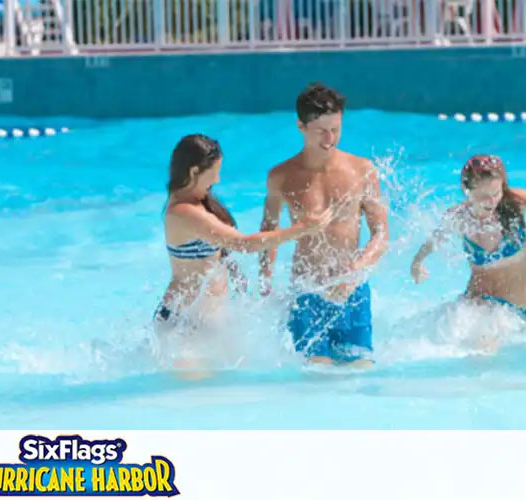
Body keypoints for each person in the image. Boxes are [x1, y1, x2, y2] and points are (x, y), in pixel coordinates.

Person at [259, 83, 389, 367]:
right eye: (322, 131)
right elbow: (269, 232)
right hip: (307, 291)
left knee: (360, 368)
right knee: (316, 372)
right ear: (301, 126)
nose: (330, 138)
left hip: (352, 289)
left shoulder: (362, 170)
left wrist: (356, 272)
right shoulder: (281, 177)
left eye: (336, 129)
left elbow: (381, 233)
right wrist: (264, 280)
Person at [156, 133, 330, 332]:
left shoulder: (196, 202)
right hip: (182, 323)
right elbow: (243, 244)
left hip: (204, 320)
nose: (217, 179)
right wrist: (302, 229)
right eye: (214, 172)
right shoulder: (183, 212)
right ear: (194, 171)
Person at [410, 154, 526, 322]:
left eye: (496, 193)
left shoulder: (515, 203)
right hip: (477, 306)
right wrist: (417, 262)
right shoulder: (459, 218)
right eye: (484, 196)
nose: (492, 201)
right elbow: (434, 241)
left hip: (518, 311)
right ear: (467, 190)